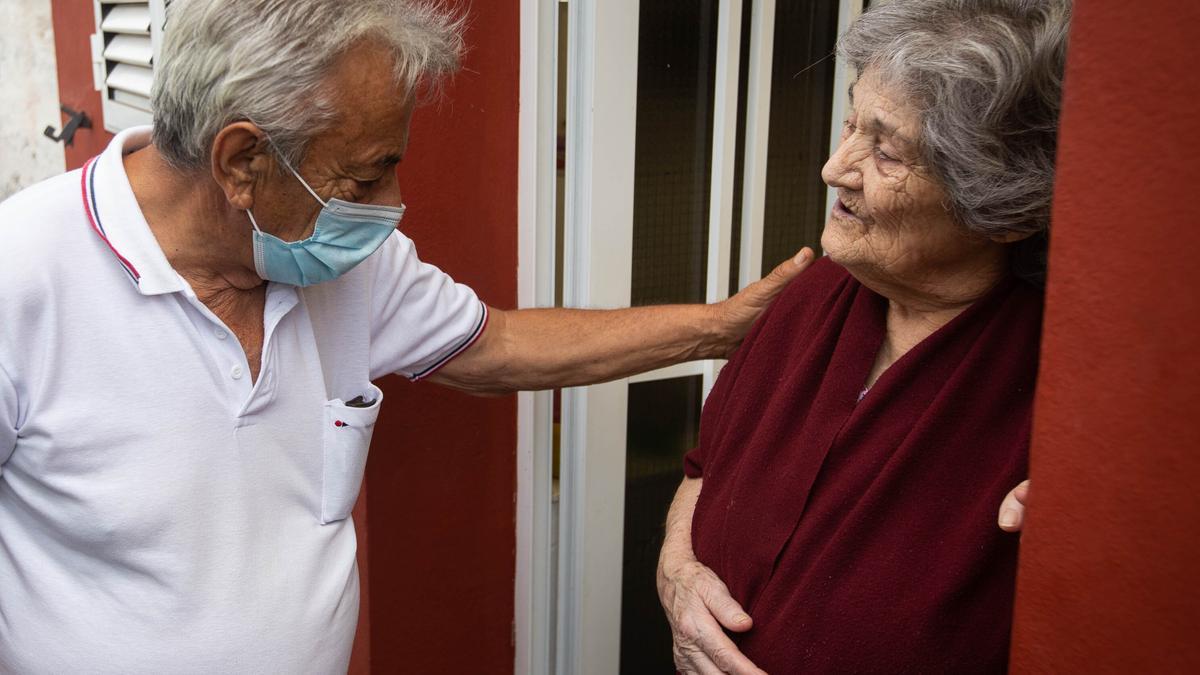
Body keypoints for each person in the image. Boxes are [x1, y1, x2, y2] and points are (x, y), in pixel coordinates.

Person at [0, 1, 814, 671]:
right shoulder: (24, 276)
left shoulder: (343, 264)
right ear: (242, 161)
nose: (391, 204)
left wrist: (720, 328)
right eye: (365, 173)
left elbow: (495, 345)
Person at [656, 0, 1069, 672]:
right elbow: (704, 469)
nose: (834, 167)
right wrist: (677, 570)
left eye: (886, 149)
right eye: (851, 121)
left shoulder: (1050, 393)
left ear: (999, 205)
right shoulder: (815, 296)